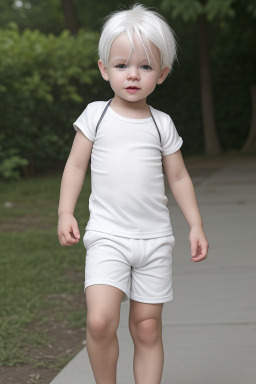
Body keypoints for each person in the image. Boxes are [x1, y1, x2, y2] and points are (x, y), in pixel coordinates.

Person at [57, 3, 209, 383]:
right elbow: (75, 166)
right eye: (122, 65)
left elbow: (178, 178)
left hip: (154, 241)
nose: (132, 75)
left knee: (146, 328)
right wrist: (65, 212)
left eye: (145, 66)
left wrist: (195, 224)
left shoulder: (162, 124)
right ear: (104, 69)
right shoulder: (97, 115)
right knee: (100, 321)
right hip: (108, 236)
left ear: (162, 74)